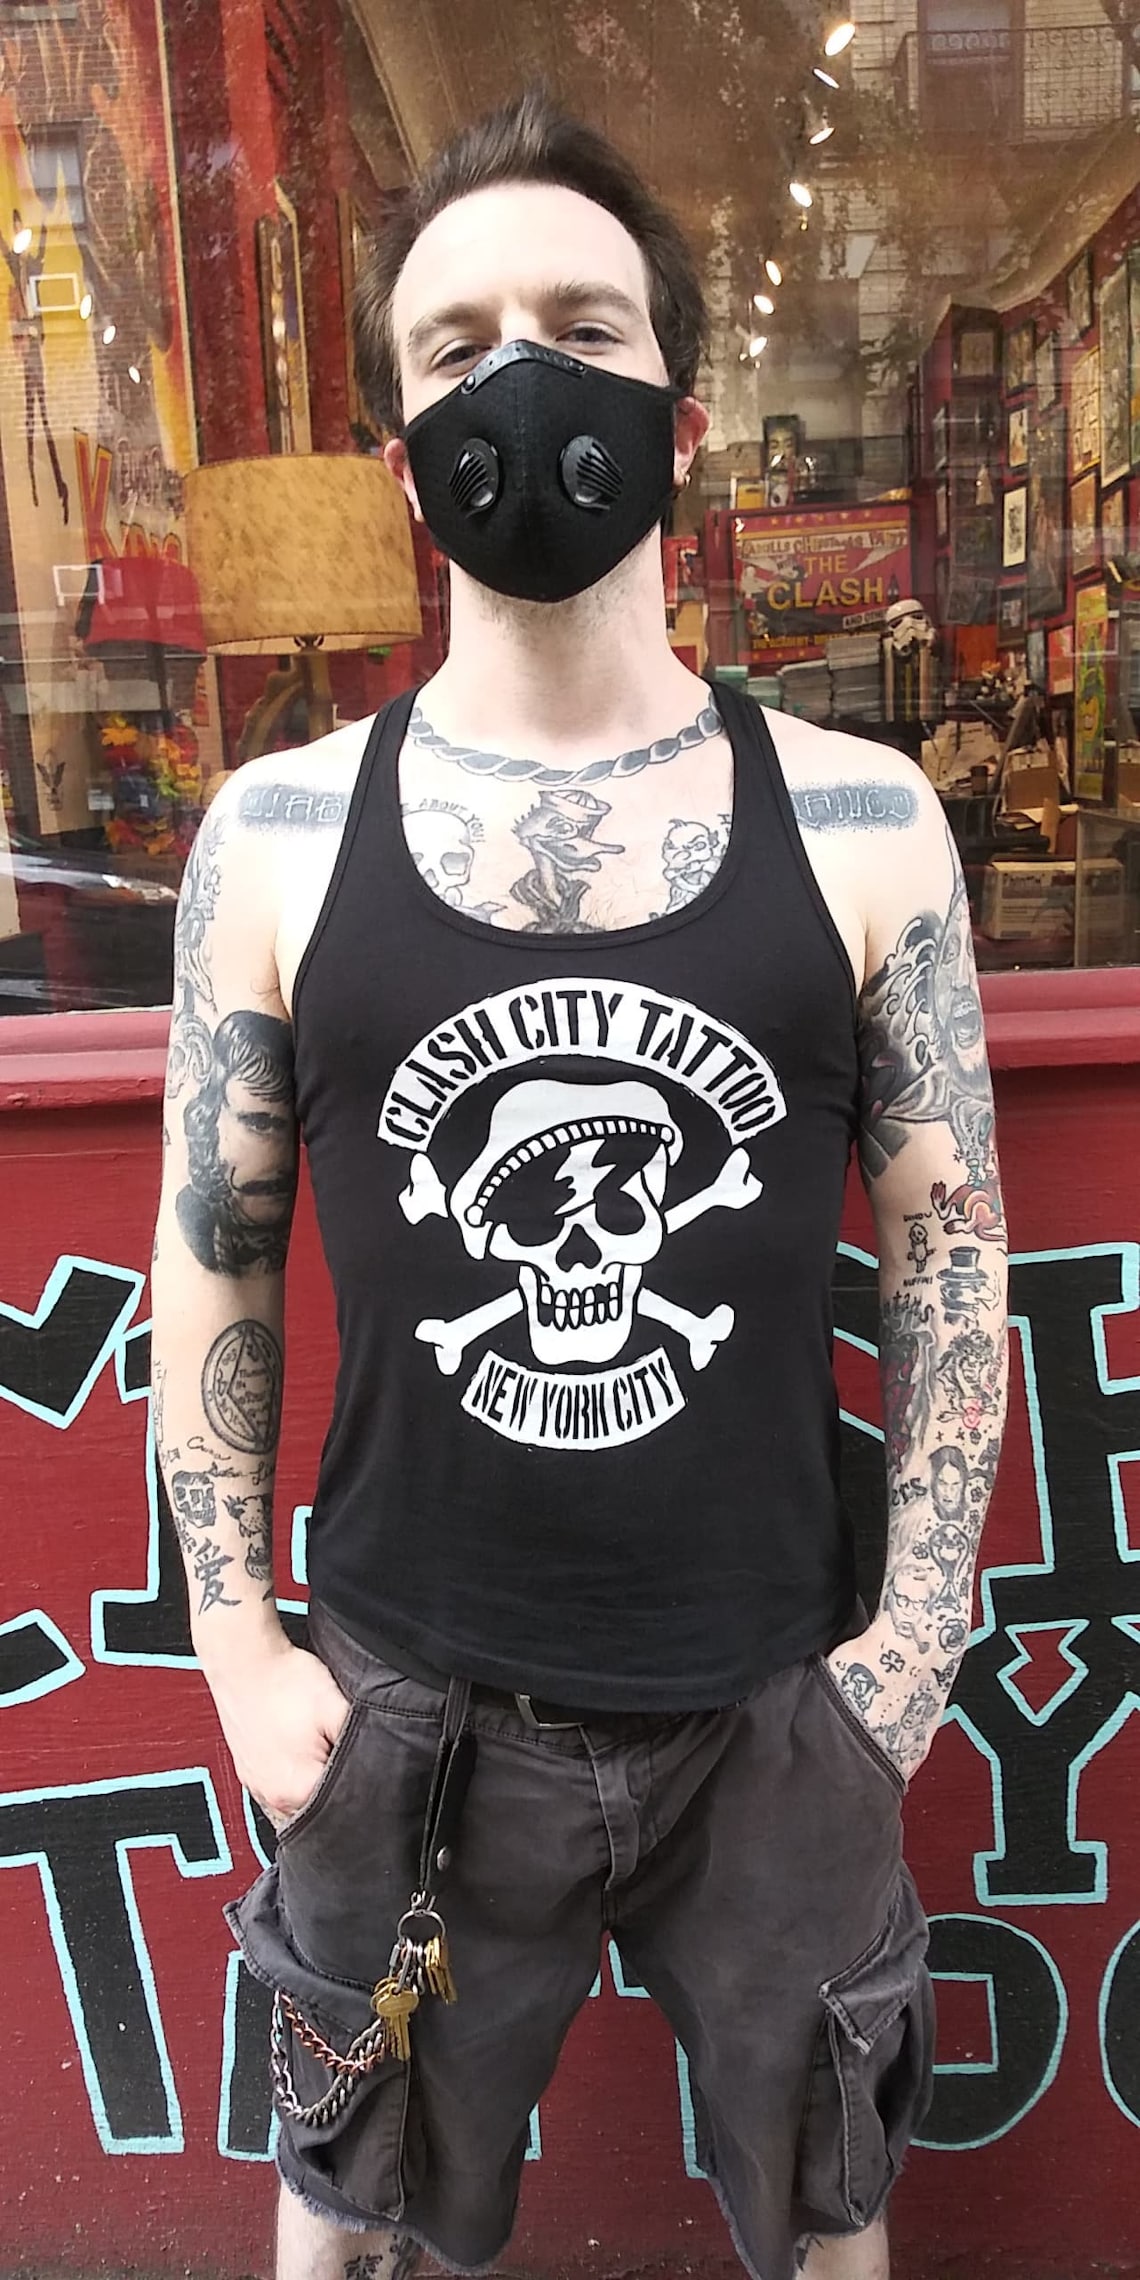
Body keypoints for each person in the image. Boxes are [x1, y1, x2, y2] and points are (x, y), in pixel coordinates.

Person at [150, 89, 1009, 2280]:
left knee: (829, 2224)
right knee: (347, 2225)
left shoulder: (864, 824)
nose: (519, 381)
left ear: (681, 418)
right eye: (458, 348)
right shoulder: (273, 839)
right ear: (403, 452)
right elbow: (214, 1268)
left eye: (582, 326)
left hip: (779, 1697)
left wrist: (907, 1651)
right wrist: (238, 1645)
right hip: (403, 1701)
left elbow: (951, 1264)